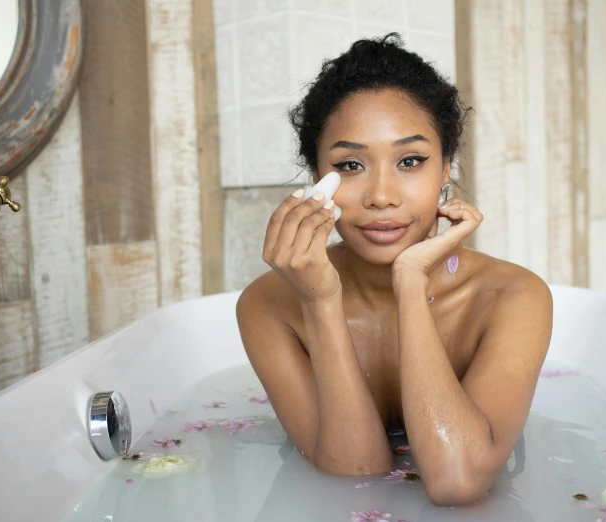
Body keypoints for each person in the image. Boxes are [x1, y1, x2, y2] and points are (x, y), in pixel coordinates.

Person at [236, 33, 552, 508]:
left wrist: (410, 282)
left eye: (411, 160)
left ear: (446, 167)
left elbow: (458, 479)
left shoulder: (513, 297)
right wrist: (320, 303)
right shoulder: (268, 306)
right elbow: (353, 478)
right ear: (316, 177)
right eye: (349, 165)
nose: (381, 195)